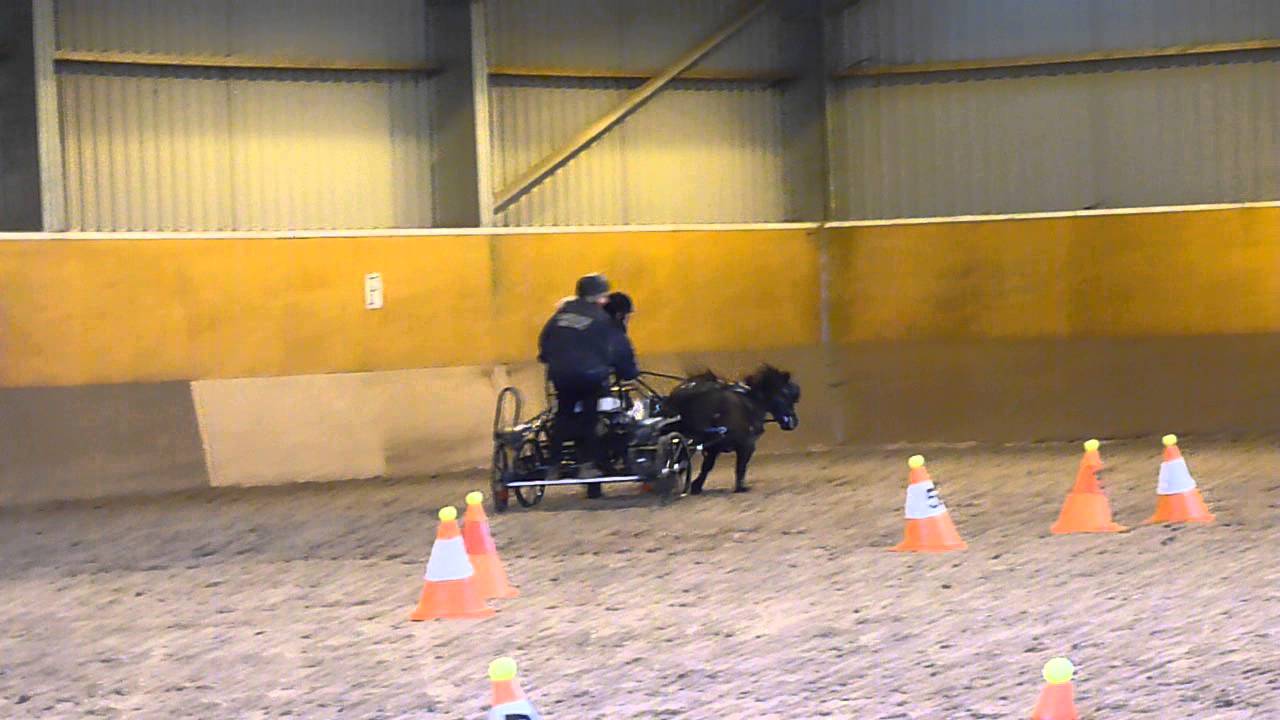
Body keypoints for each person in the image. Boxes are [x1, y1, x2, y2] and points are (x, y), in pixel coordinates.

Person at [537, 274, 639, 497]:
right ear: (600, 297)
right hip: (590, 376)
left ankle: (553, 464)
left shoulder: (559, 316)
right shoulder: (603, 320)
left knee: (563, 415)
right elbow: (620, 351)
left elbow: (545, 344)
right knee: (590, 417)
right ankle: (587, 464)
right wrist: (628, 372)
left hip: (561, 375)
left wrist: (552, 361)